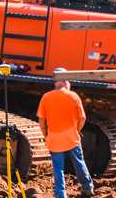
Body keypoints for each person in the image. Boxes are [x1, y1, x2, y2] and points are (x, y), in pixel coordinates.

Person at [37, 67, 94, 198]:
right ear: (66, 80)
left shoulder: (46, 97)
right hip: (71, 138)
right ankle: (87, 187)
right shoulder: (73, 96)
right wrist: (77, 130)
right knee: (79, 162)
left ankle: (60, 194)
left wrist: (46, 136)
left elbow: (41, 122)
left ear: (54, 80)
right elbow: (82, 118)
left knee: (58, 167)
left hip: (54, 139)